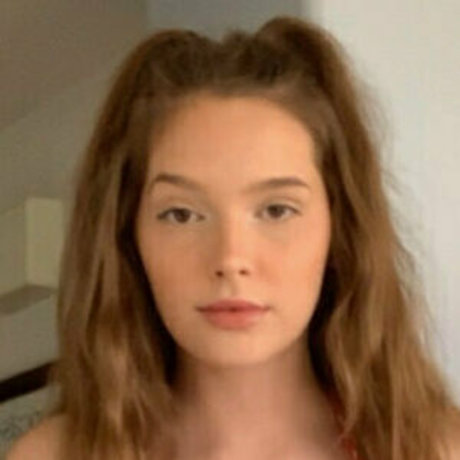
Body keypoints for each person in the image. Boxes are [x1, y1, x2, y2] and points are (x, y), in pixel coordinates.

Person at [6, 15, 460, 460]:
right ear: (128, 235)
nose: (230, 257)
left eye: (276, 210)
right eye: (182, 214)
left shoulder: (435, 449)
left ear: (340, 228)